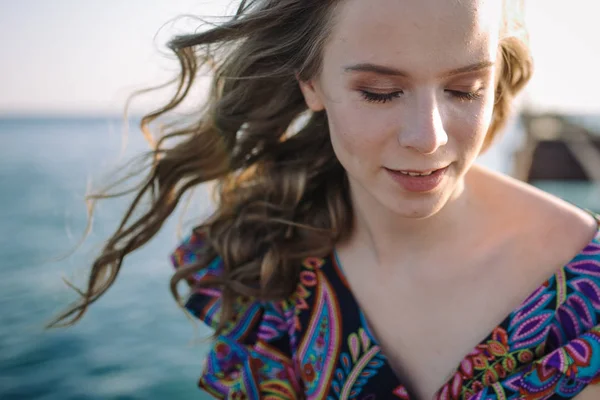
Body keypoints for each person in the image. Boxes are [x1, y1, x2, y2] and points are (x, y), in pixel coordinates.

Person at [51, 0, 600, 398]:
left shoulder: (586, 296)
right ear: (310, 82)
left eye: (464, 91)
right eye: (380, 92)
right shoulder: (262, 261)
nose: (428, 136)